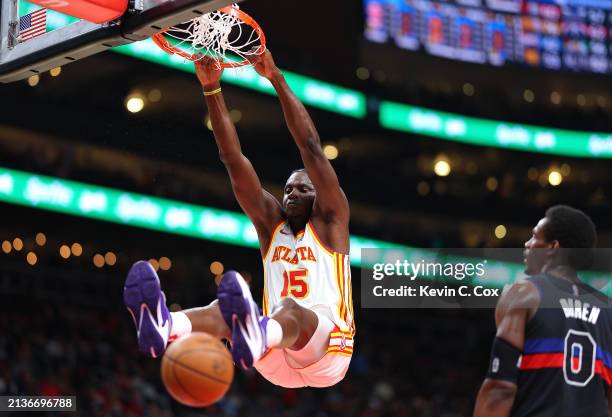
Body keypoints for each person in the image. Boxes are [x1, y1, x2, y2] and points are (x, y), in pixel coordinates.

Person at [123, 49, 354, 388]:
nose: (290, 194)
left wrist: (275, 77)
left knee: (290, 307)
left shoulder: (331, 222)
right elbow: (232, 159)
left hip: (328, 353)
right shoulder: (270, 225)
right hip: (272, 352)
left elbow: (310, 145)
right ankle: (164, 324)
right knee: (223, 309)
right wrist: (211, 88)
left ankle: (257, 330)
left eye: (301, 189)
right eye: (287, 189)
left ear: (319, 194)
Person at [473, 205, 611, 417]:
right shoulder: (608, 309)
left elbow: (500, 388)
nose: (527, 244)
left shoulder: (524, 293)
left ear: (553, 247)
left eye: (534, 236)